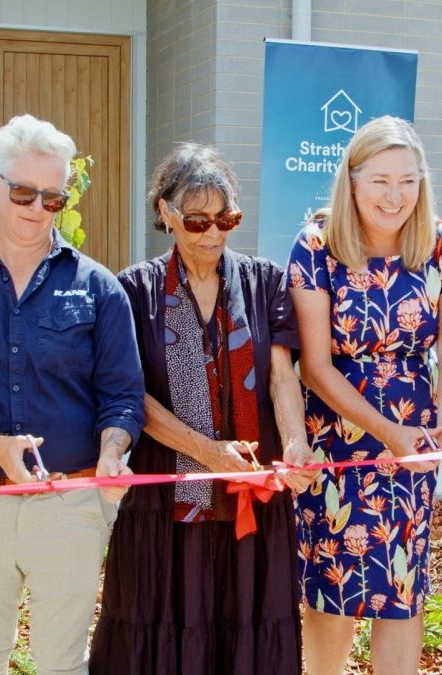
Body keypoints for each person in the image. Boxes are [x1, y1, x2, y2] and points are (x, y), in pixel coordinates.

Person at [0, 114, 144, 675]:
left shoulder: (99, 287)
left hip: (70, 501)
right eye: (23, 191)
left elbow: (122, 396)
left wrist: (112, 455)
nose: (35, 207)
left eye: (52, 198)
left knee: (62, 661)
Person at [90, 143, 316, 675]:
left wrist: (296, 443)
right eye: (197, 221)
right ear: (167, 214)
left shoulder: (264, 283)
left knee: (249, 631)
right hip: (167, 510)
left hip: (252, 503)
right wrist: (207, 452)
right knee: (165, 632)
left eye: (226, 219)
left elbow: (283, 377)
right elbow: (131, 396)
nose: (213, 234)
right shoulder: (134, 290)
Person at [288, 115, 442, 674]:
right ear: (352, 179)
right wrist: (386, 432)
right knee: (333, 596)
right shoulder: (315, 244)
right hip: (336, 444)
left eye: (408, 181)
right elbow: (315, 366)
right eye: (381, 181)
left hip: (412, 443)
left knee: (401, 591)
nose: (396, 197)